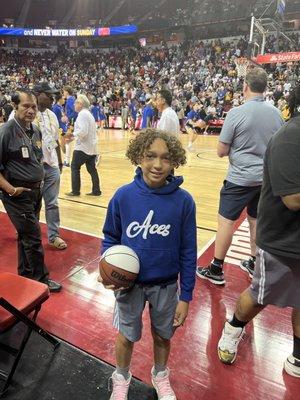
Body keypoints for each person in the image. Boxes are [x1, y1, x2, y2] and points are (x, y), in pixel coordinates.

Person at [99, 128, 197, 400]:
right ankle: (121, 376)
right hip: (129, 285)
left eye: (165, 158)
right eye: (150, 156)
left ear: (174, 161)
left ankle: (160, 374)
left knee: (163, 336)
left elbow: (189, 251)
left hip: (166, 286)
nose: (157, 165)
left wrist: (186, 295)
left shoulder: (184, 201)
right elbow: (110, 237)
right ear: (138, 157)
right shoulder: (123, 196)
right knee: (126, 336)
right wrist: (105, 267)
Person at [217, 83, 300, 378]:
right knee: (261, 294)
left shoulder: (253, 114)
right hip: (283, 239)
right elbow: (294, 199)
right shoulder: (290, 135)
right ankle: (233, 327)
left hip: (247, 182)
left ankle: (298, 355)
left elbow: (221, 150)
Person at [197, 67, 283, 285]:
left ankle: (216, 269)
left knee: (226, 222)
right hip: (265, 179)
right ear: (265, 88)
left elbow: (221, 151)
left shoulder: (236, 113)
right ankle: (254, 263)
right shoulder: (276, 113)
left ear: (245, 86)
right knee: (255, 221)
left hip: (239, 179)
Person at [0, 89, 62, 292]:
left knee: (25, 236)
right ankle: (41, 280)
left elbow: (35, 158)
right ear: (15, 106)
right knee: (33, 237)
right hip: (17, 193)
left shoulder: (35, 130)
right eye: (26, 106)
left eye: (33, 106)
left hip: (35, 192)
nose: (30, 110)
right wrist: (11, 189)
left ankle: (25, 274)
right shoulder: (6, 130)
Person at [33, 82, 67, 250]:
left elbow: (54, 141)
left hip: (51, 165)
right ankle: (29, 231)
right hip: (32, 168)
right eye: (49, 94)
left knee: (52, 203)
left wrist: (59, 162)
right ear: (38, 94)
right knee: (33, 202)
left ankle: (54, 235)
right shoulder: (26, 114)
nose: (53, 98)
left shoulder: (52, 115)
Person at [65, 94, 101, 196]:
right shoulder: (88, 114)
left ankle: (75, 191)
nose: (74, 105)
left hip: (83, 147)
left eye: (76, 103)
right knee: (92, 169)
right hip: (92, 147)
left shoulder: (82, 114)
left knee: (75, 167)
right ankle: (96, 190)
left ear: (80, 104)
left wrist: (72, 135)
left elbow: (83, 131)